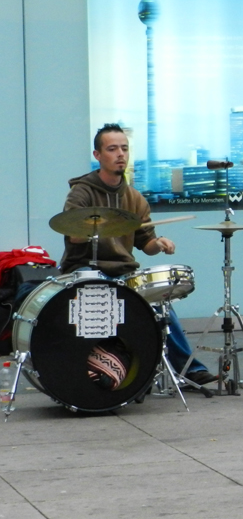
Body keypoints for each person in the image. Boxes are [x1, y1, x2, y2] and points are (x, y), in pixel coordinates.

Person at [60, 124, 213, 384]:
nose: (120, 154)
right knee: (93, 284)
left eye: (124, 148)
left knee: (160, 303)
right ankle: (93, 368)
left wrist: (159, 242)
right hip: (85, 267)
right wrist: (100, 226)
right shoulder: (82, 191)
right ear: (97, 155)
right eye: (112, 149)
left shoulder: (135, 197)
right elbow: (73, 234)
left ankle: (189, 369)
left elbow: (147, 244)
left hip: (123, 271)